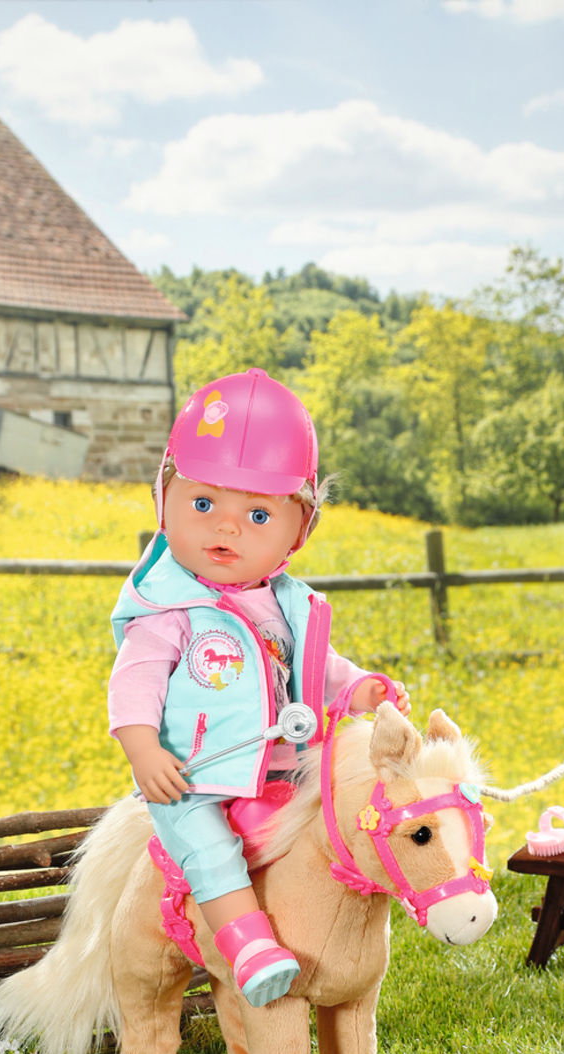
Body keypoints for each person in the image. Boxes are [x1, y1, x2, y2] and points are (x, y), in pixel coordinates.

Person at [109, 368, 410, 1007]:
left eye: (257, 513)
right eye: (201, 504)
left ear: (298, 531)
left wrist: (359, 691)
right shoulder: (169, 612)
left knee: (319, 833)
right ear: (162, 500)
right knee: (209, 845)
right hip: (194, 777)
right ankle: (246, 946)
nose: (227, 528)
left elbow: (319, 669)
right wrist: (144, 751)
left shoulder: (286, 606)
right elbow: (133, 684)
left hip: (280, 774)